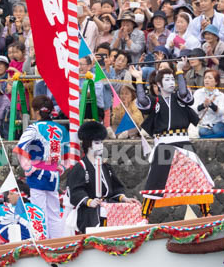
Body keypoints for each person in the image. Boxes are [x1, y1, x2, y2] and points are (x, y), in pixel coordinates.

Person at [131, 64, 213, 219]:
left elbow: (183, 91)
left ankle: (206, 213)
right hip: (164, 143)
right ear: (159, 85)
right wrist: (139, 80)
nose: (171, 82)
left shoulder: (181, 98)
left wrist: (180, 72)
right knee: (155, 180)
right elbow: (142, 100)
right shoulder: (155, 101)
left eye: (172, 79)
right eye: (167, 80)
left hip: (183, 141)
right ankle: (144, 216)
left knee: (197, 175)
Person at [16, 96, 79, 238]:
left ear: (36, 111)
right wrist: (61, 167)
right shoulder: (61, 129)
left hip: (37, 173)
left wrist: (28, 168)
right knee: (54, 213)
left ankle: (41, 243)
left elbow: (20, 148)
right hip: (53, 175)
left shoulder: (34, 128)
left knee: (39, 211)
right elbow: (68, 153)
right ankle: (56, 243)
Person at [66, 121, 135, 233]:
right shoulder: (80, 167)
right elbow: (76, 191)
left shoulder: (105, 166)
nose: (101, 146)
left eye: (102, 143)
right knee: (101, 213)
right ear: (88, 144)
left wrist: (124, 198)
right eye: (97, 143)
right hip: (89, 211)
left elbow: (116, 187)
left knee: (131, 210)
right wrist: (88, 201)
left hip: (108, 205)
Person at [193, 69, 224, 137]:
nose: (206, 80)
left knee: (217, 130)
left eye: (210, 78)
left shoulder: (220, 95)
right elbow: (193, 110)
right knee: (202, 132)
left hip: (217, 122)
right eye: (205, 78)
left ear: (216, 82)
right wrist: (203, 106)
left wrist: (211, 105)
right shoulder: (198, 93)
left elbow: (221, 112)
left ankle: (214, 133)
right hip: (204, 124)